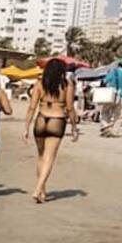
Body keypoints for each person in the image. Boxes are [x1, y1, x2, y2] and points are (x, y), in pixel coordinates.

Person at [23, 59, 78, 203]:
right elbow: (70, 108)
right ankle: (38, 189)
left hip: (41, 118)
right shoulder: (67, 85)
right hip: (57, 119)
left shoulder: (39, 83)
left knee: (41, 156)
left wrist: (26, 127)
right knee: (49, 157)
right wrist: (74, 127)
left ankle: (42, 191)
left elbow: (31, 107)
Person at [100, 59, 122, 137]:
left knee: (104, 112)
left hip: (111, 95)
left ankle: (106, 127)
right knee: (118, 115)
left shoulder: (112, 72)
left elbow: (105, 81)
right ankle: (115, 132)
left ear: (118, 65)